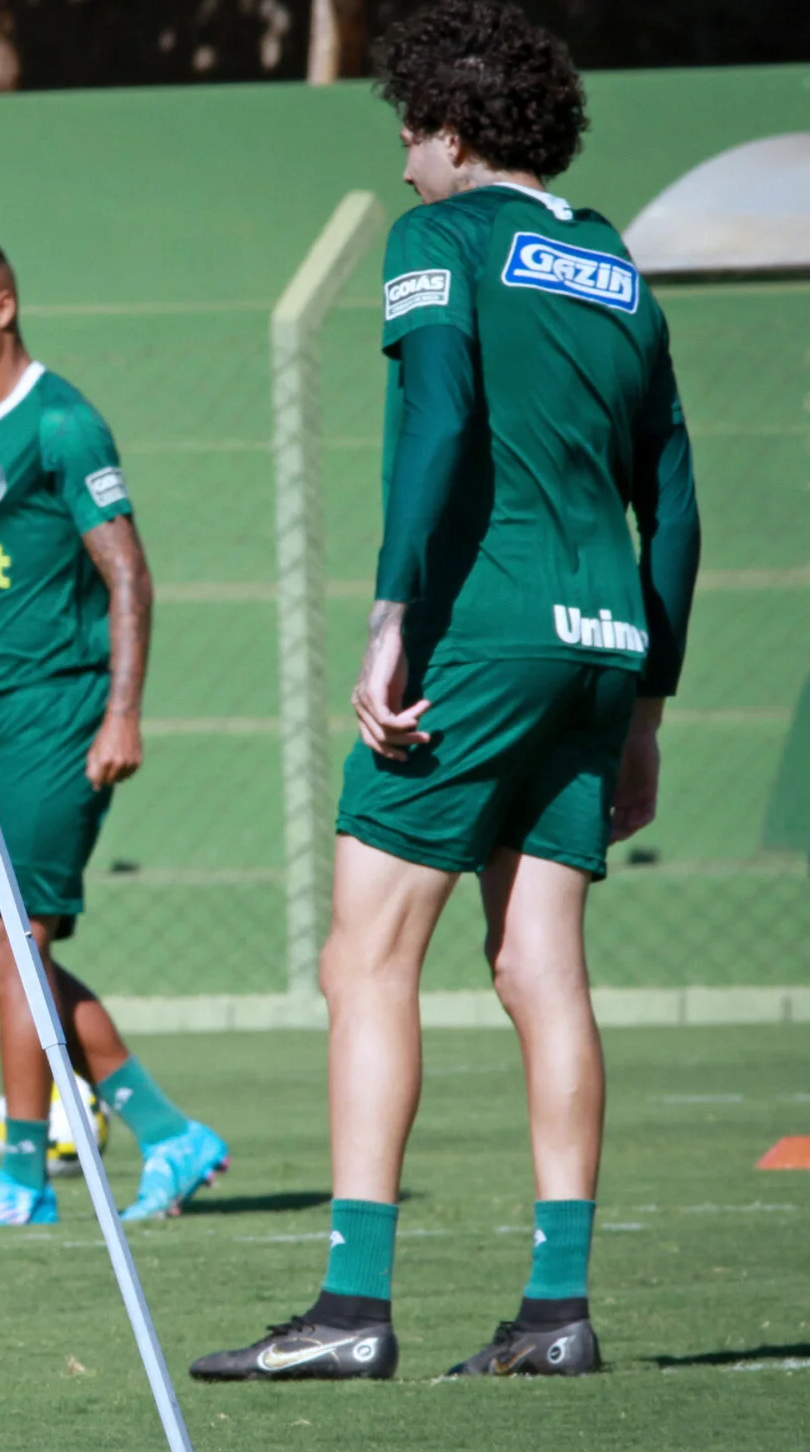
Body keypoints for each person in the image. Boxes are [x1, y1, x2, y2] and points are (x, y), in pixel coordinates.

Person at [192, 0, 699, 1382]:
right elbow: (676, 493)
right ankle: (557, 1308)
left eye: (412, 134)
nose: (406, 163)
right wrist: (647, 695)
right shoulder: (615, 266)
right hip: (602, 638)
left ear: (457, 135)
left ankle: (353, 1307)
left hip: (483, 631)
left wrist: (391, 616)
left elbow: (439, 422)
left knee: (365, 957)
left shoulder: (442, 241)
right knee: (542, 968)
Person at [0, 233, 230, 1231]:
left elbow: (126, 572)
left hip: (61, 707)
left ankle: (22, 1180)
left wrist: (122, 712)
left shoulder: (61, 422)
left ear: (2, 309)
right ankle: (170, 1134)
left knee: (15, 936)